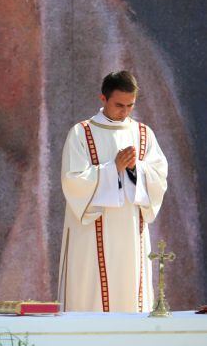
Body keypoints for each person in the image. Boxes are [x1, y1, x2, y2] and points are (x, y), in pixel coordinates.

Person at [58, 71, 168, 312]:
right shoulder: (81, 133)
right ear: (103, 99)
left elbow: (159, 177)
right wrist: (112, 169)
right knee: (92, 299)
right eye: (119, 105)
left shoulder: (143, 134)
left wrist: (135, 168)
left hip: (131, 231)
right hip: (90, 235)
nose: (125, 111)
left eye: (130, 105)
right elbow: (72, 182)